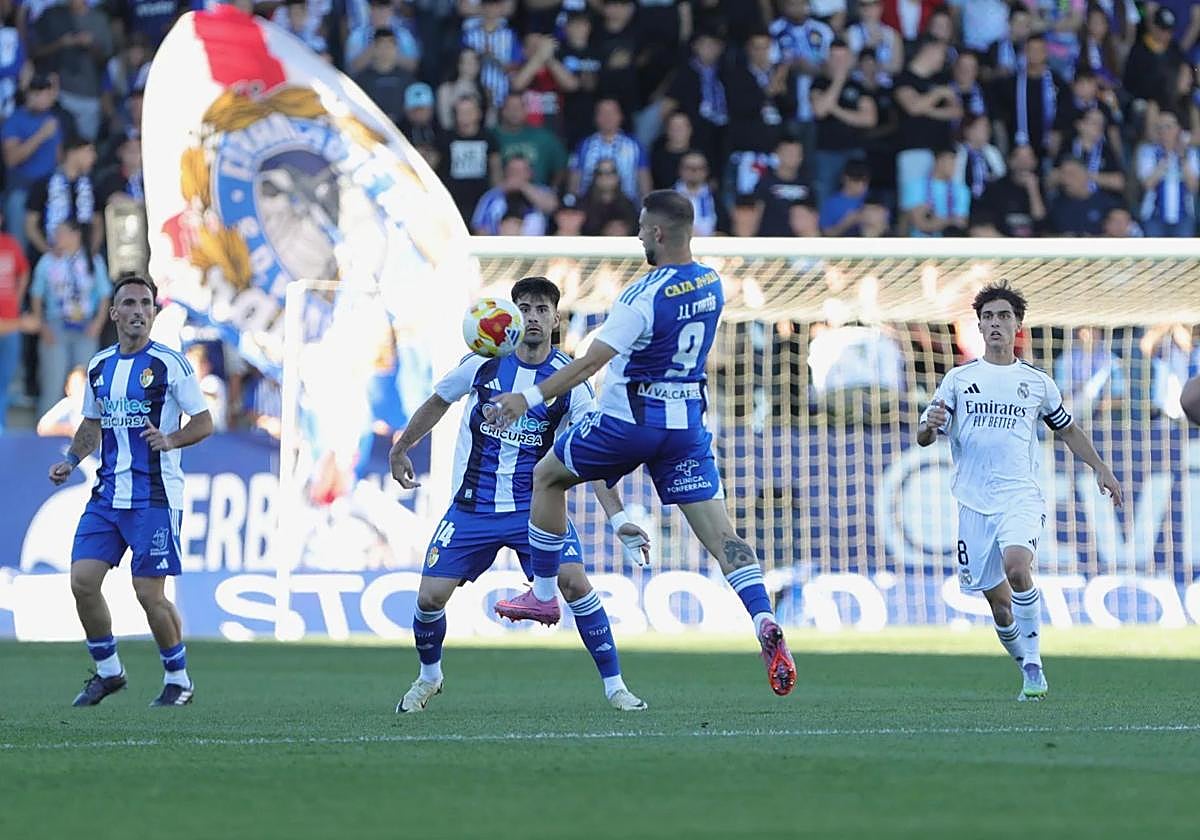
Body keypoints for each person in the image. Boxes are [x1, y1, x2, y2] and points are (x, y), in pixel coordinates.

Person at [487, 190, 797, 698]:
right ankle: (763, 616)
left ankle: (543, 594)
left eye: (639, 226)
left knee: (547, 475)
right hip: (687, 428)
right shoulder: (711, 283)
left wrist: (527, 397)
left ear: (656, 233)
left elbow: (588, 364)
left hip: (630, 421)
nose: (635, 234)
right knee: (724, 538)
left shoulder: (642, 296)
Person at [387, 276, 649, 713]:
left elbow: (592, 453)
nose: (532, 316)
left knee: (574, 583)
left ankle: (616, 687)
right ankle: (429, 677)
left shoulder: (569, 382)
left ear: (554, 319)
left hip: (536, 513)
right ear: (511, 315)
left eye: (541, 310)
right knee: (429, 598)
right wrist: (400, 449)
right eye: (524, 308)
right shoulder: (483, 364)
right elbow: (437, 401)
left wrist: (618, 519)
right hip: (473, 506)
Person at [916, 282, 1122, 701]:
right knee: (999, 607)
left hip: (1020, 495)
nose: (995, 323)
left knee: (1017, 568)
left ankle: (1034, 666)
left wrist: (1099, 466)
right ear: (978, 326)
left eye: (1003, 316)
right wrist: (929, 424)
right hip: (973, 503)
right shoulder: (958, 379)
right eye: (988, 317)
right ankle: (1021, 657)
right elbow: (924, 435)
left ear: (1018, 325)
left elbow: (1067, 428)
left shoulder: (1036, 383)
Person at [50, 273, 213, 707]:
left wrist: (171, 439)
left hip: (154, 497)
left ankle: (179, 679)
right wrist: (70, 460)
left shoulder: (170, 364)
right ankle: (109, 672)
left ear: (155, 313)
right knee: (82, 582)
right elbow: (92, 423)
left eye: (146, 303)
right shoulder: (100, 366)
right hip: (107, 496)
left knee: (148, 594)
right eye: (130, 303)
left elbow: (204, 422)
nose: (139, 310)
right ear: (114, 313)